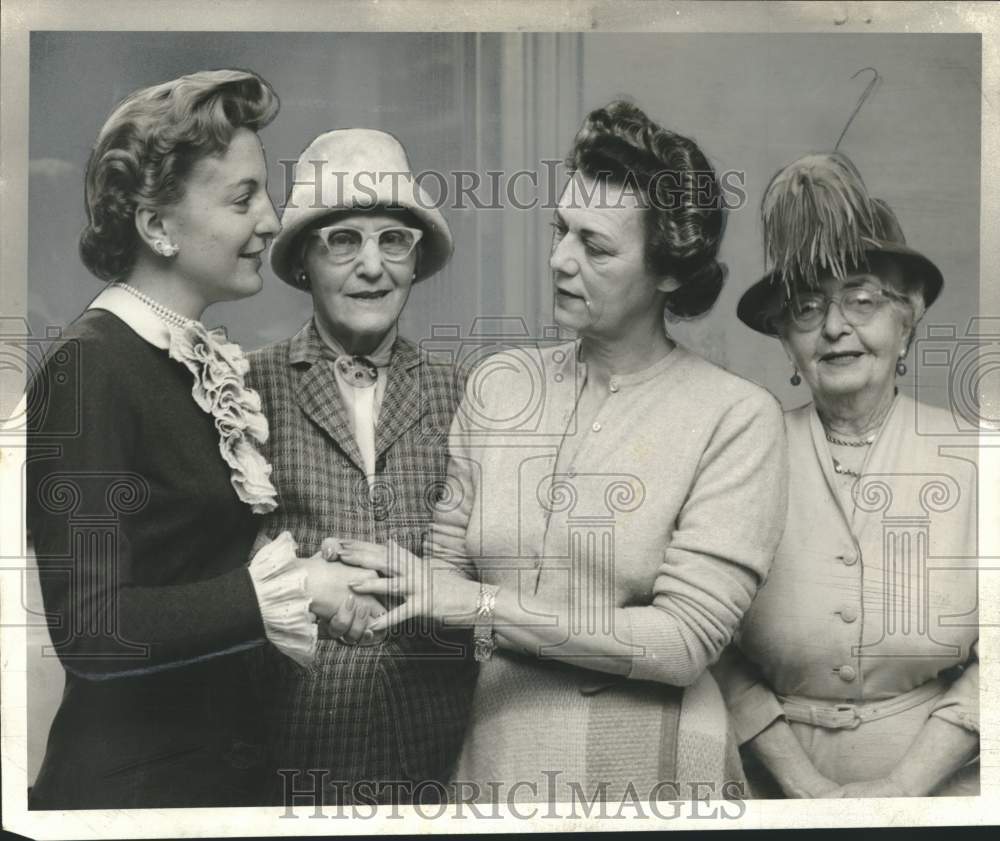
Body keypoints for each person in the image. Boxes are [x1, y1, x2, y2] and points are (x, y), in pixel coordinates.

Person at [340, 101, 788, 803]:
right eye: (560, 230)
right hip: (502, 754)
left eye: (596, 246)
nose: (560, 259)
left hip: (656, 768)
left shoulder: (737, 417)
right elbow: (442, 578)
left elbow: (680, 643)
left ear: (669, 272)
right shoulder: (499, 384)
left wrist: (479, 603)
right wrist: (348, 585)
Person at [25, 69, 359, 809]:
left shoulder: (191, 358)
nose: (271, 222)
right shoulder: (90, 367)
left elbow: (181, 562)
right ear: (157, 226)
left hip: (215, 782)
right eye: (243, 198)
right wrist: (285, 588)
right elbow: (94, 628)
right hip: (126, 799)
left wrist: (302, 569)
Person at [713, 151, 979, 798]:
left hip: (947, 792)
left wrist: (904, 786)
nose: (835, 327)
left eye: (861, 299)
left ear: (906, 319)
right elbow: (712, 645)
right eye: (807, 308)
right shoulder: (745, 452)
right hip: (771, 790)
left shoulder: (976, 458)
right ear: (787, 343)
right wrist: (802, 786)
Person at [248, 127, 478, 805]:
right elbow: (212, 557)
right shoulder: (246, 388)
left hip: (433, 743)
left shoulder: (460, 390)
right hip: (290, 742)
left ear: (415, 260)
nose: (371, 266)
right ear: (303, 265)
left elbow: (486, 560)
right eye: (343, 240)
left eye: (392, 240)